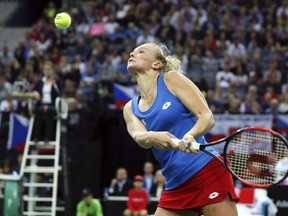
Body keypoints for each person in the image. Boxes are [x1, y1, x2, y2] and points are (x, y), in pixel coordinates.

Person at [123, 42, 239, 216]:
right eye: (132, 51)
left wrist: (190, 135)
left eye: (140, 51)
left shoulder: (171, 79)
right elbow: (139, 137)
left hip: (206, 172)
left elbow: (206, 116)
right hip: (175, 184)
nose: (132, 53)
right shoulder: (130, 109)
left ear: (157, 64)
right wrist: (151, 137)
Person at [32, 60, 62, 142]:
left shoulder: (56, 81)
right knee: (38, 111)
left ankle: (47, 137)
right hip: (41, 104)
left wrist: (54, 85)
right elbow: (34, 90)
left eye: (49, 69)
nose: (47, 71)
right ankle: (37, 136)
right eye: (45, 69)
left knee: (49, 111)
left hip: (53, 105)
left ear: (52, 70)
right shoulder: (40, 81)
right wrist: (35, 93)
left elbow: (60, 93)